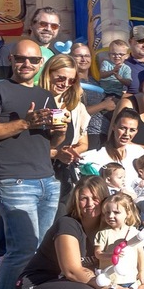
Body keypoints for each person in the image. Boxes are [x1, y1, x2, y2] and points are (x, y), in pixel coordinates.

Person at [0, 39, 69, 289]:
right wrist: (23, 123)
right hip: (13, 179)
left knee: (39, 250)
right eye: (20, 59)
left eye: (32, 60)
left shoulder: (46, 96)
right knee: (21, 248)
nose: (26, 64)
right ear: (12, 59)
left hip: (46, 178)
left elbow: (51, 144)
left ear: (40, 62)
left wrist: (60, 132)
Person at [15, 177, 144, 289]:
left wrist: (137, 284)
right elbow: (72, 271)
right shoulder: (68, 224)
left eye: (96, 199)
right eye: (83, 198)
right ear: (75, 201)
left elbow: (128, 261)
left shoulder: (107, 229)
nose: (89, 204)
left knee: (101, 281)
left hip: (66, 287)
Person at [37, 53, 89, 201]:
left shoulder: (76, 107)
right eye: (60, 78)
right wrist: (56, 153)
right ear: (48, 73)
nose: (65, 84)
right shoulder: (33, 101)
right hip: (33, 176)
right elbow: (25, 148)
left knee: (62, 221)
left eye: (71, 80)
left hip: (63, 177)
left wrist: (71, 152)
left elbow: (84, 143)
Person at [0, 6, 61, 80]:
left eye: (54, 26)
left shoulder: (55, 57)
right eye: (43, 24)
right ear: (31, 25)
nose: (48, 29)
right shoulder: (9, 50)